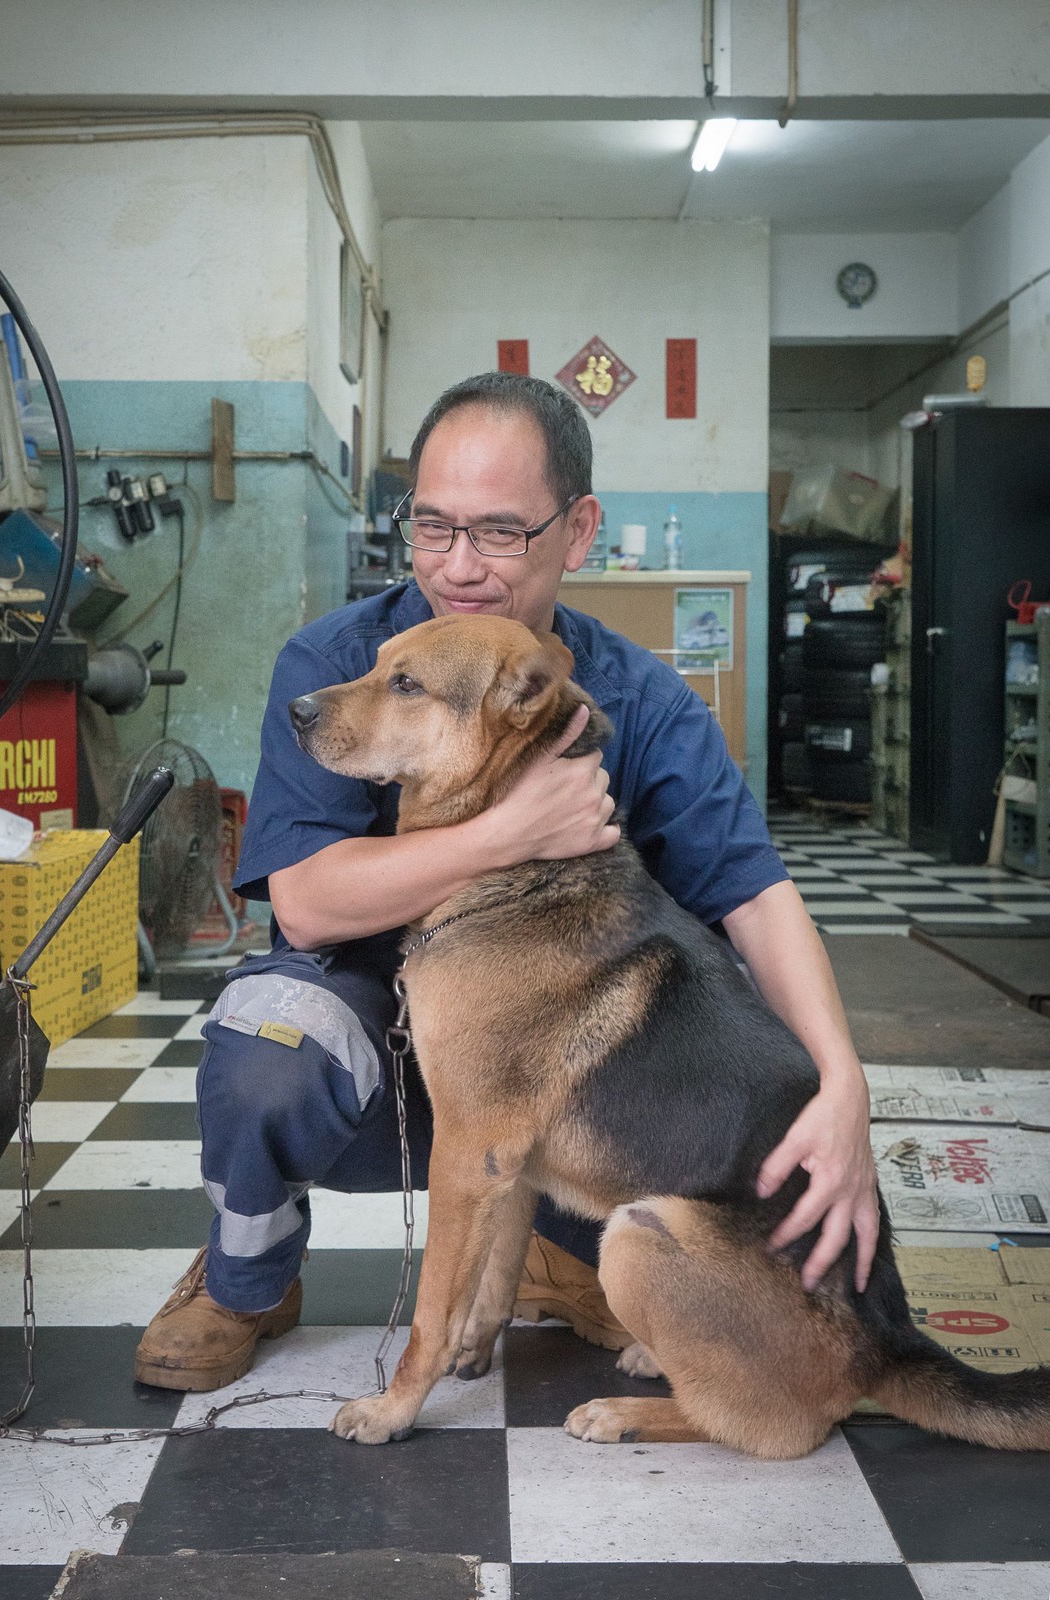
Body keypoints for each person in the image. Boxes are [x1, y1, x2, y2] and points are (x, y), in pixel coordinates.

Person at [134, 373, 879, 1393]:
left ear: (578, 532)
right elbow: (303, 900)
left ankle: (550, 1252)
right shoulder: (343, 664)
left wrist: (844, 1086)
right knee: (269, 1038)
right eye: (432, 526)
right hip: (379, 1052)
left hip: (561, 1090)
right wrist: (504, 834)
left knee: (698, 1171)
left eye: (497, 532)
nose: (458, 566)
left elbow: (755, 895)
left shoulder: (640, 697)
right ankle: (246, 1280)